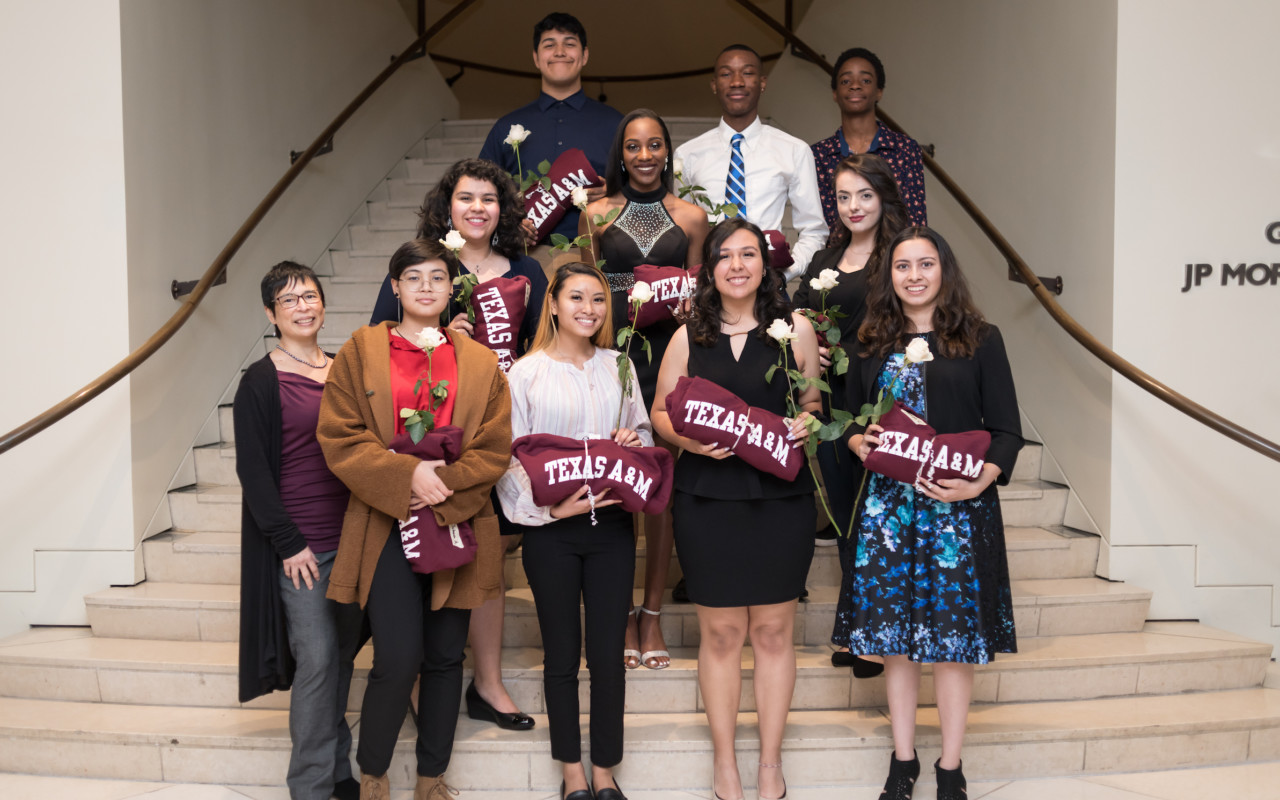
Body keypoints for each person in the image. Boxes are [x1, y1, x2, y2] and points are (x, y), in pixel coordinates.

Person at [318, 239, 512, 800]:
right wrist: (407, 476)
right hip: (385, 525)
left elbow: (494, 447)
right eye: (413, 278)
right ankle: (373, 774)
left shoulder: (479, 361)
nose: (426, 287)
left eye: (437, 278)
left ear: (452, 288)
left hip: (457, 521)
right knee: (399, 656)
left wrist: (441, 484)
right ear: (395, 287)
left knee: (447, 656)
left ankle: (431, 778)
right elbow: (340, 434)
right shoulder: (361, 349)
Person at [841, 226, 1021, 800]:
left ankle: (950, 766)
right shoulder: (870, 342)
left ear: (944, 270)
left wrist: (977, 486)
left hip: (956, 513)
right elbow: (849, 420)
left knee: (950, 646)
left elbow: (1007, 432)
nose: (913, 275)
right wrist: (856, 442)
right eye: (902, 266)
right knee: (896, 643)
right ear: (888, 276)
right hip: (890, 515)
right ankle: (902, 761)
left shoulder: (981, 339)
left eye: (925, 264)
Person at [370, 160, 545, 733]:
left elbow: (543, 344)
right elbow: (380, 348)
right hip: (423, 441)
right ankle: (421, 677)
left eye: (488, 198)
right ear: (448, 206)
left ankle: (487, 682)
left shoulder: (524, 270)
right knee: (424, 543)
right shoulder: (424, 266)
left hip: (498, 428)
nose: (477, 207)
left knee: (486, 550)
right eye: (465, 197)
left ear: (503, 208)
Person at [651, 218, 821, 800]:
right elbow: (659, 412)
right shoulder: (687, 334)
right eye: (726, 255)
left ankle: (770, 763)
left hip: (780, 499)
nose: (739, 265)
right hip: (707, 497)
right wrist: (690, 441)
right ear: (711, 267)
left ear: (764, 265)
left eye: (749, 254)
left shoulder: (793, 328)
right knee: (721, 633)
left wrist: (809, 420)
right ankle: (725, 762)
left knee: (774, 632)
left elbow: (812, 399)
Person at [497, 262, 650, 800]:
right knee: (561, 654)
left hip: (611, 526)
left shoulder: (619, 365)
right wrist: (549, 512)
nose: (589, 309)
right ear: (554, 305)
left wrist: (634, 436)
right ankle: (572, 773)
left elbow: (646, 433)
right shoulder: (525, 373)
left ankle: (605, 770)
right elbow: (508, 459)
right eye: (577, 298)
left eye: (599, 299)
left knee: (608, 654)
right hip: (552, 532)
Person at [579, 108, 709, 671]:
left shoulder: (693, 216)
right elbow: (584, 292)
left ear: (667, 151)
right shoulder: (596, 214)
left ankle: (651, 614)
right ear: (621, 153)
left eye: (655, 145)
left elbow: (703, 295)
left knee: (662, 491)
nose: (646, 156)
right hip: (614, 358)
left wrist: (689, 305)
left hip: (672, 359)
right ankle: (617, 610)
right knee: (616, 479)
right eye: (634, 147)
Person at [235, 261, 364, 800]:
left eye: (310, 296)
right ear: (271, 314)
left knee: (342, 657)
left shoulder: (344, 368)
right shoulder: (261, 380)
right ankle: (310, 787)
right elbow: (254, 472)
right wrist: (289, 543)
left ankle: (339, 772)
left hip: (357, 539)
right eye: (289, 300)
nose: (303, 307)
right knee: (317, 658)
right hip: (303, 547)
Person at [790, 153, 909, 672]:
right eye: (842, 196)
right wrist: (808, 356)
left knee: (877, 514)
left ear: (883, 196)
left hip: (884, 397)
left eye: (864, 194)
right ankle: (855, 626)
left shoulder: (902, 254)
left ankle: (875, 632)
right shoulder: (823, 261)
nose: (853, 206)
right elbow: (798, 315)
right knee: (843, 515)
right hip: (834, 402)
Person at [478, 12, 623, 269]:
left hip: (597, 256)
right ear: (536, 57)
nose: (559, 51)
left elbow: (643, 191)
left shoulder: (616, 124)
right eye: (549, 44)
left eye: (569, 43)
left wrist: (613, 193)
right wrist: (508, 224)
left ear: (585, 55)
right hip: (523, 260)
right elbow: (480, 193)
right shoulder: (506, 127)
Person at [675, 44, 827, 283]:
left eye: (747, 73)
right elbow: (680, 232)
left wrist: (784, 273)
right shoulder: (687, 155)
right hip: (708, 286)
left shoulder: (794, 150)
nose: (737, 81)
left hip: (770, 288)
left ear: (762, 82)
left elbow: (814, 230)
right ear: (714, 85)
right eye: (726, 74)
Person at [811, 47, 927, 238]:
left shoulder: (905, 149)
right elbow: (817, 227)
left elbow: (916, 222)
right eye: (846, 81)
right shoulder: (818, 155)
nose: (855, 86)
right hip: (837, 263)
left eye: (865, 80)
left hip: (894, 260)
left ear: (879, 91)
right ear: (834, 93)